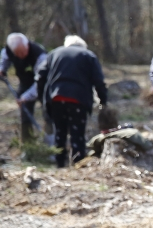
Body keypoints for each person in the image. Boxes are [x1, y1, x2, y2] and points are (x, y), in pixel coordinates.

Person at [20, 35, 106, 168]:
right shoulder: (88, 55)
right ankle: (78, 164)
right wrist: (103, 101)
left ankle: (60, 164)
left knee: (60, 132)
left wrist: (43, 98)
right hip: (78, 99)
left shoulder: (54, 54)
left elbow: (40, 77)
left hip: (56, 99)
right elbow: (99, 81)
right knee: (77, 134)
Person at [1, 33, 47, 144]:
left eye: (24, 51)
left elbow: (40, 82)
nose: (22, 54)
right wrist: (2, 69)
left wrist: (26, 97)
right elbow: (4, 60)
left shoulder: (40, 55)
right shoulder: (8, 50)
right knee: (25, 115)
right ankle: (28, 145)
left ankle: (51, 145)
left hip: (43, 84)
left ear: (27, 45)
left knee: (48, 113)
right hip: (24, 82)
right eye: (18, 53)